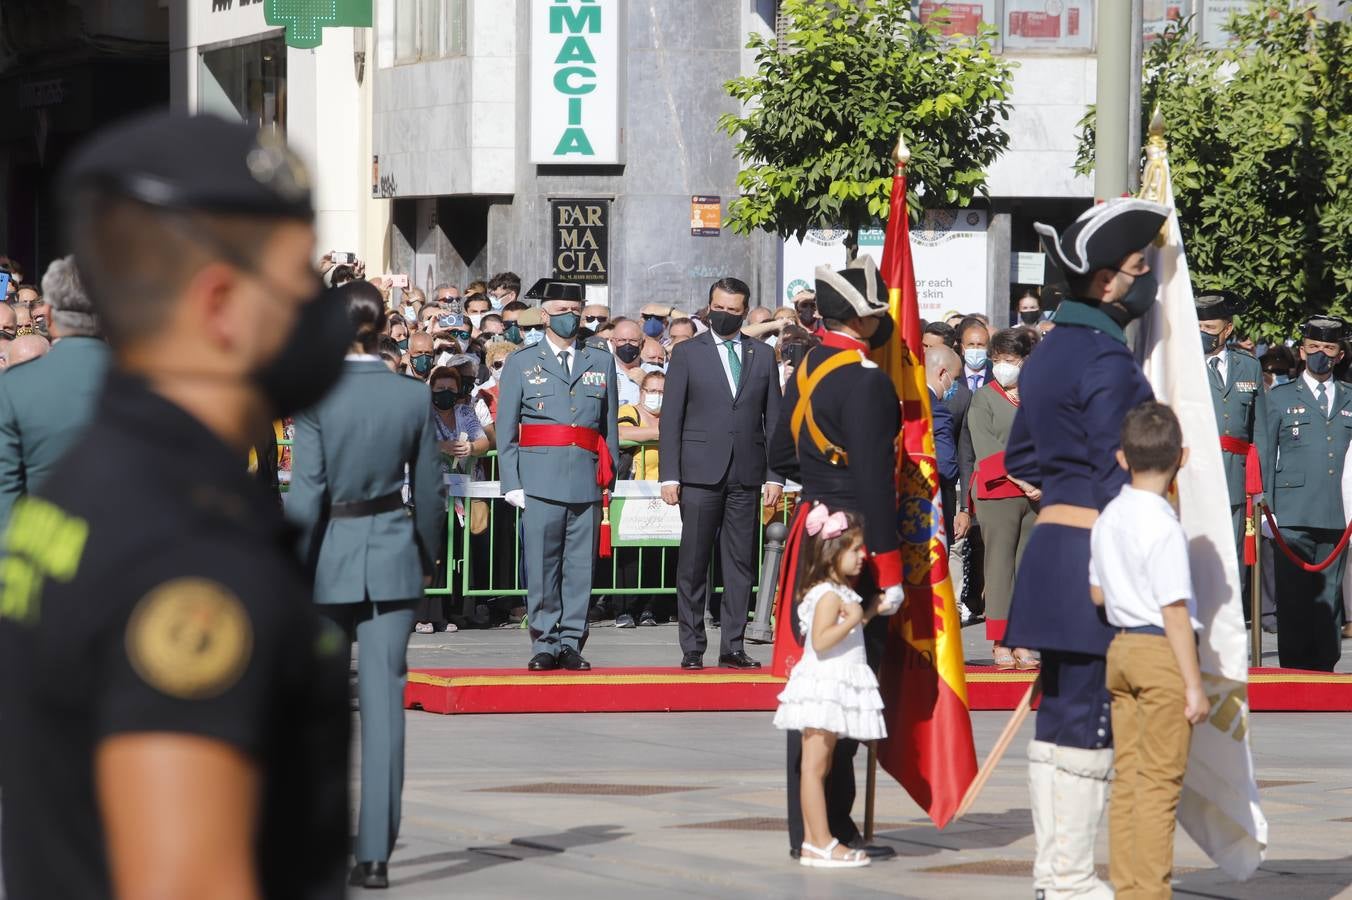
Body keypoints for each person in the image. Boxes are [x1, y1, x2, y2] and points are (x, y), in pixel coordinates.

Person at [0, 111, 352, 898]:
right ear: (221, 303)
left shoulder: (93, 483)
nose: (318, 311)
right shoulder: (190, 552)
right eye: (299, 283)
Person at [1004, 197, 1171, 899]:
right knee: (1086, 717)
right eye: (1137, 269)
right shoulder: (1104, 358)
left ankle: (1057, 874)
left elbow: (1023, 458)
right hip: (1097, 556)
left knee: (1061, 712)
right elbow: (1119, 473)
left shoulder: (1045, 355)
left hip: (1054, 548)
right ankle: (1069, 880)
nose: (1143, 282)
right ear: (1105, 280)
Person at [288, 280, 444, 889]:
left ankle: (324, 840)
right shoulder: (411, 397)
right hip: (393, 556)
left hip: (329, 560)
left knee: (325, 711)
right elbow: (429, 492)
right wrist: (424, 559)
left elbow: (306, 496)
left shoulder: (316, 397)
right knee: (384, 709)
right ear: (382, 328)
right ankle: (375, 854)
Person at [767, 256, 902, 863]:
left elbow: (781, 452)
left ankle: (810, 828)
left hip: (812, 530)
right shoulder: (869, 380)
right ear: (867, 320)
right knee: (846, 684)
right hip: (855, 544)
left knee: (812, 684)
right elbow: (877, 480)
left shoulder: (808, 365)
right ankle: (835, 830)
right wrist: (890, 572)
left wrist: (824, 487)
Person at [1089, 401, 1208, 899]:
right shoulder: (1162, 523)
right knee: (1160, 786)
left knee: (1131, 780)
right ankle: (1149, 892)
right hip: (1160, 651)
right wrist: (1195, 685)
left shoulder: (1111, 515)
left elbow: (1097, 593)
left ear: (1121, 458)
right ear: (1181, 458)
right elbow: (1174, 609)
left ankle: (1128, 888)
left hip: (1121, 647)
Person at [660, 277, 784, 670]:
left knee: (740, 565)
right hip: (698, 474)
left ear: (745, 311)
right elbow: (672, 418)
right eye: (719, 307)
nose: (725, 315)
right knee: (693, 563)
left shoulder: (762, 354)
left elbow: (775, 421)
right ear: (708, 306)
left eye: (734, 310)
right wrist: (669, 475)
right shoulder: (687, 353)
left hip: (746, 475)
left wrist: (774, 476)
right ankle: (692, 646)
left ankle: (732, 645)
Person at [497, 281, 619, 671]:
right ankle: (545, 641)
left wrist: (609, 478)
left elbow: (608, 426)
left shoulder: (599, 359)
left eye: (576, 309)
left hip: (585, 477)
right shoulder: (521, 361)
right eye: (563, 309)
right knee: (543, 564)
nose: (572, 316)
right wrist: (512, 481)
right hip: (539, 478)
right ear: (545, 314)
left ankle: (571, 640)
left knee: (580, 567)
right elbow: (506, 427)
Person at [771, 506, 884, 869]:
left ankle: (817, 842)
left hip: (834, 683)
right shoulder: (829, 595)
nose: (862, 556)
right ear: (835, 553)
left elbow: (844, 635)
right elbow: (820, 641)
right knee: (815, 769)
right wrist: (854, 617)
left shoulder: (839, 592)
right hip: (824, 686)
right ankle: (819, 841)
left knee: (820, 767)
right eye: (855, 550)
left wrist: (867, 613)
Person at [1262, 316, 1352, 671]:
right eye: (1313, 348)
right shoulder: (1280, 398)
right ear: (1301, 352)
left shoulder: (1349, 397)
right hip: (1291, 509)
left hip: (1336, 509)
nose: (1320, 355)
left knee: (1330, 596)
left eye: (1328, 349)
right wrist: (1264, 507)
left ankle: (1324, 668)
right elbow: (1267, 455)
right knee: (1294, 594)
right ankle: (1295, 669)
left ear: (1340, 355)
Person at [0, 255, 112, 529]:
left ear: (48, 315)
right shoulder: (150, 384)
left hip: (42, 547)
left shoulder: (14, 387)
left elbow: (6, 495)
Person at [961, 327, 1040, 668]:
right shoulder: (984, 397)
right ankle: (1000, 641)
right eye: (997, 360)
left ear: (1025, 361)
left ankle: (1023, 639)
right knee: (999, 565)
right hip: (999, 491)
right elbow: (986, 447)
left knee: (1028, 567)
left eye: (1009, 360)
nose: (1001, 366)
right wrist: (1023, 480)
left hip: (1038, 492)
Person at [1196, 290, 1269, 608]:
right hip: (1194, 476)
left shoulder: (1248, 367)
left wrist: (1262, 486)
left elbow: (1260, 429)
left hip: (1236, 480)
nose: (1202, 334)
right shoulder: (1183, 365)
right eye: (1197, 327)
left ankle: (1230, 628)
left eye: (1209, 329)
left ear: (1227, 329)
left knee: (1233, 561)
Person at [923, 344, 962, 549]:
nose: (954, 386)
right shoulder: (937, 411)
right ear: (942, 373)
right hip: (931, 511)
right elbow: (946, 468)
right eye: (954, 379)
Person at [610, 317, 645, 406]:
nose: (627, 345)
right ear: (612, 342)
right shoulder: (603, 370)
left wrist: (646, 382)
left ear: (642, 344)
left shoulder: (654, 371)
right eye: (622, 340)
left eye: (633, 341)